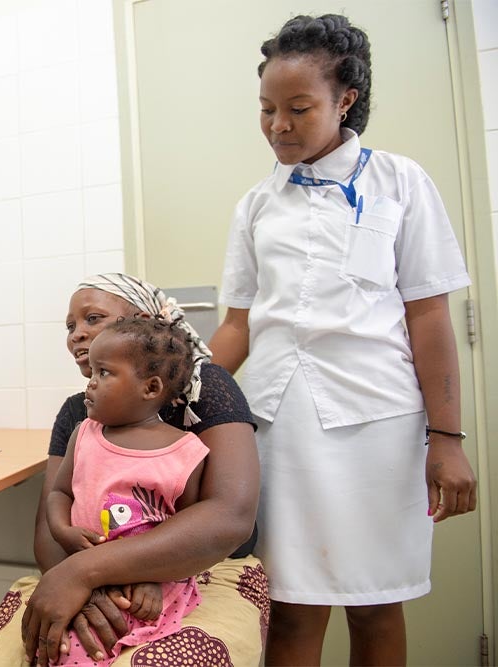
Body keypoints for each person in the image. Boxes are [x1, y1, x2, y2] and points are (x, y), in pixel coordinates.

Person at [209, 15, 478, 665]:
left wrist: (447, 438)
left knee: (376, 602)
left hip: (379, 425)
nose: (278, 125)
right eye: (267, 109)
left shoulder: (400, 183)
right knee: (292, 603)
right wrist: (177, 403)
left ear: (345, 100)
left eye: (298, 108)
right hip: (281, 423)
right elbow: (238, 325)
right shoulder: (257, 204)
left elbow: (430, 316)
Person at [0, 273, 266, 667]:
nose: (76, 335)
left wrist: (87, 573)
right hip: (82, 570)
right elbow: (50, 530)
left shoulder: (205, 388)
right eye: (70, 326)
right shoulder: (78, 415)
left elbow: (229, 516)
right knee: (5, 656)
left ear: (144, 322)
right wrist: (83, 587)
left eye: (93, 319)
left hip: (200, 570)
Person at [47, 316, 210, 665]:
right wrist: (64, 532)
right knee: (59, 647)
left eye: (103, 373)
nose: (90, 383)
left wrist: (155, 575)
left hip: (152, 581)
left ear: (150, 388)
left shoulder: (186, 452)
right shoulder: (84, 434)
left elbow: (187, 529)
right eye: (91, 372)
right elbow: (59, 493)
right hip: (86, 572)